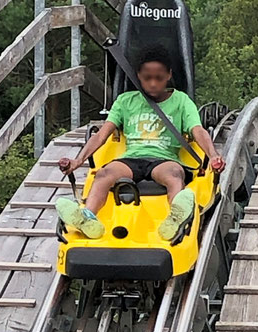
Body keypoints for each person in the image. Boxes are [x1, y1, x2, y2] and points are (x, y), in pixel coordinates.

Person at [55, 44, 226, 240]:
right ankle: (87, 218)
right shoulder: (125, 101)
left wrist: (213, 155)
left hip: (163, 159)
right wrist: (78, 161)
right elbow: (102, 135)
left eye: (159, 78)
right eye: (147, 78)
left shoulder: (181, 101)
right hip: (132, 158)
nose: (153, 83)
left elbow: (198, 130)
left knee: (174, 174)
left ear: (169, 75)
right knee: (103, 174)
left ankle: (176, 218)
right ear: (138, 76)